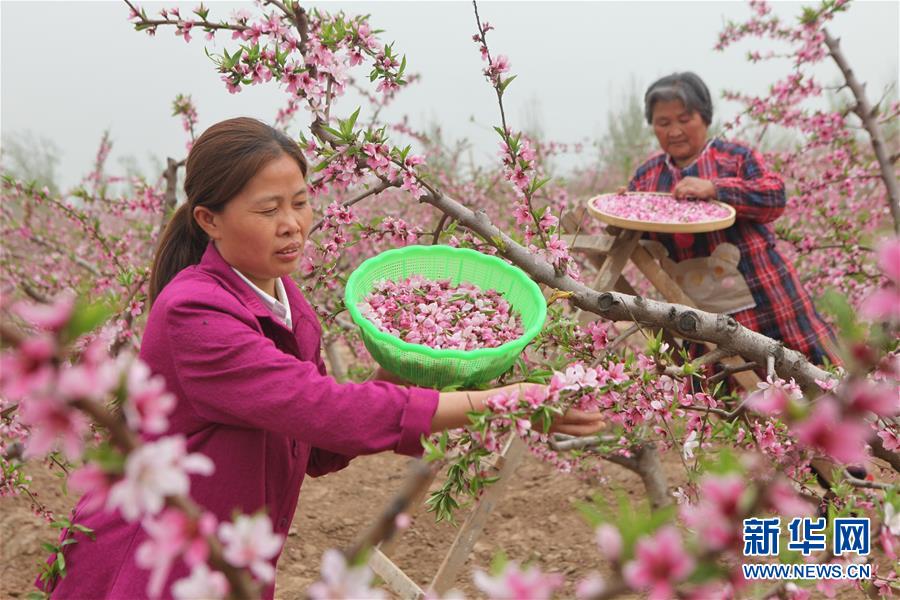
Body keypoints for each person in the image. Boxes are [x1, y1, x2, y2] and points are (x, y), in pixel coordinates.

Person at [42, 117, 604, 598]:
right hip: (149, 563)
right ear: (209, 220)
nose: (292, 224)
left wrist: (411, 368)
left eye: (301, 202)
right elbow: (322, 407)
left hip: (224, 558)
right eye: (268, 209)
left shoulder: (288, 304)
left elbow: (312, 445)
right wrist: (507, 402)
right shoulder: (195, 313)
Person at [625, 72, 839, 367]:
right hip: (700, 311)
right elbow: (638, 237)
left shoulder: (734, 158)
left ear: (705, 117)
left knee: (808, 374)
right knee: (732, 392)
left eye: (684, 119)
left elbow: (774, 196)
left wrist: (716, 189)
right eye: (663, 123)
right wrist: (624, 207)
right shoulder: (646, 177)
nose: (674, 131)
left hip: (766, 293)